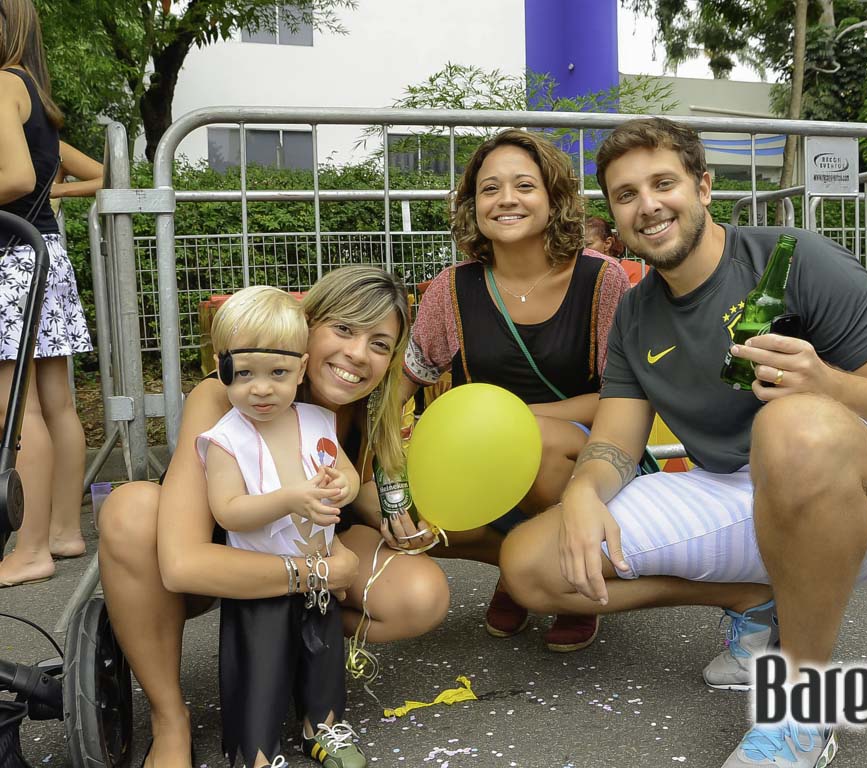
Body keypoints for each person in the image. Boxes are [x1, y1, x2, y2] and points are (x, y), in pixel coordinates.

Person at [500, 118, 867, 767]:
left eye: (663, 183)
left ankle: (801, 707)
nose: (647, 205)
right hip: (737, 494)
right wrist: (587, 492)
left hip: (864, 500)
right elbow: (617, 441)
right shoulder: (636, 312)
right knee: (531, 564)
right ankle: (750, 601)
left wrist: (827, 384)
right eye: (626, 195)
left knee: (790, 424)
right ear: (614, 216)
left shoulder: (792, 258)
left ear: (703, 187)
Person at [98, 265, 450, 768]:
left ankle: (298, 667)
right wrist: (320, 571)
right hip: (217, 558)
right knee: (130, 510)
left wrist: (386, 511)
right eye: (344, 329)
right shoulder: (226, 396)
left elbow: (353, 488)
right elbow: (180, 564)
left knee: (420, 594)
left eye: (379, 343)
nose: (357, 355)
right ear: (307, 328)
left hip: (302, 544)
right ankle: (169, 717)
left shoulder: (366, 407)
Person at [400, 129, 630, 653]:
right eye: (489, 188)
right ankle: (518, 567)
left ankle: (571, 584)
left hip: (583, 457)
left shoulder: (603, 280)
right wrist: (373, 459)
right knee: (399, 508)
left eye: (524, 185)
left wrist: (515, 419)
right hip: (480, 466)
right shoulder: (451, 288)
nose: (506, 199)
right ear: (471, 205)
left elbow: (624, 398)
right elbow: (406, 377)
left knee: (538, 440)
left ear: (553, 198)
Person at [196, 286, 365, 768]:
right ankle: (254, 749)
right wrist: (291, 498)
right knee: (262, 667)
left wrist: (342, 488)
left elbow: (349, 473)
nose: (261, 388)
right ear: (221, 363)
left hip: (319, 572)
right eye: (244, 373)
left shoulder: (316, 419)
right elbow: (228, 510)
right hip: (262, 579)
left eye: (278, 373)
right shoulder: (226, 436)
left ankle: (324, 723)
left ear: (301, 366)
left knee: (323, 655)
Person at [0, 0, 92, 586]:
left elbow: (15, 178)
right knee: (55, 400)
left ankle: (29, 548)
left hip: (9, 258)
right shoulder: (31, 88)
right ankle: (62, 531)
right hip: (44, 254)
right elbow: (57, 175)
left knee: (16, 408)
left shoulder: (0, 84)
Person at [584, 215, 647, 287]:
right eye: (578, 245)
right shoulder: (578, 272)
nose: (582, 250)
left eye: (588, 244)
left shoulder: (639, 271)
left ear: (607, 243)